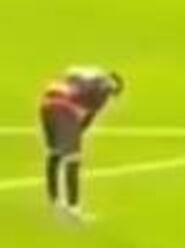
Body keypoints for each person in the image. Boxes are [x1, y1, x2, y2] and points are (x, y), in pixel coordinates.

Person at [39, 67, 124, 222]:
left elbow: (67, 77)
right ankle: (74, 208)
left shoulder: (88, 73)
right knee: (73, 159)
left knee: (55, 152)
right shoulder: (103, 90)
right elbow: (88, 119)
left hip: (46, 104)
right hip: (64, 108)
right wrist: (76, 134)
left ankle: (54, 199)